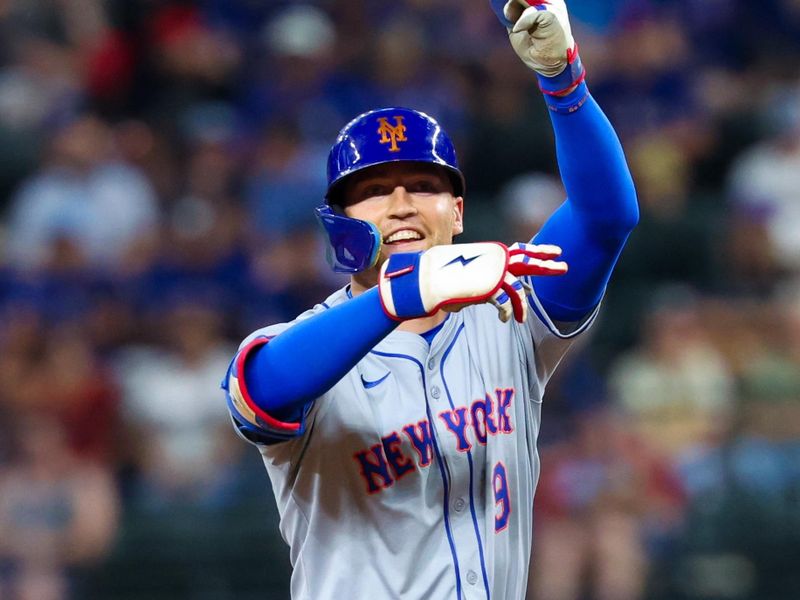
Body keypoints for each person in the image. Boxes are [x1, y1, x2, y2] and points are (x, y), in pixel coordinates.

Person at [221, 1, 638, 598]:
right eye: (372, 192)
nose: (401, 205)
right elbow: (259, 387)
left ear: (458, 212)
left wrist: (563, 80)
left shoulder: (508, 311)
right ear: (339, 223)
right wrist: (399, 297)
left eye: (423, 186)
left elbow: (606, 216)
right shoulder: (314, 346)